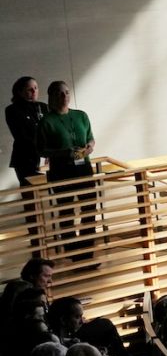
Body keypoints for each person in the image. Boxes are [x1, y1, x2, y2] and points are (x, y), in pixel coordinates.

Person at [37, 81, 96, 254]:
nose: (64, 97)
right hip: (61, 170)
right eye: (60, 93)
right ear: (52, 97)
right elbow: (41, 150)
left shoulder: (81, 115)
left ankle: (87, 249)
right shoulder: (46, 121)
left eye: (67, 93)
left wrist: (89, 147)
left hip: (83, 167)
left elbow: (91, 138)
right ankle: (72, 250)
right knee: (67, 211)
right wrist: (64, 153)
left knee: (89, 208)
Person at [7, 76, 48, 188]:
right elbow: (21, 136)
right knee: (30, 190)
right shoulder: (12, 110)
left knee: (46, 190)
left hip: (44, 155)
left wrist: (50, 152)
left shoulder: (43, 107)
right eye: (30, 89)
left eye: (36, 88)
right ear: (20, 92)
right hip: (25, 158)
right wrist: (43, 149)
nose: (34, 91)